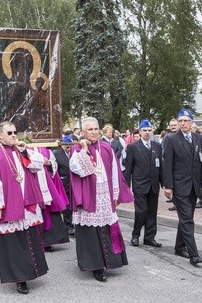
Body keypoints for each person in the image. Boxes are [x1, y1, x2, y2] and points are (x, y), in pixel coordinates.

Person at [0, 121, 49, 295]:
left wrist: (25, 150)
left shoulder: (22, 151)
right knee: (14, 243)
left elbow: (38, 165)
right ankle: (20, 279)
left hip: (28, 202)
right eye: (9, 133)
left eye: (14, 132)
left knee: (30, 238)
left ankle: (32, 272)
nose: (13, 136)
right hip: (9, 204)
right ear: (0, 136)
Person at [69, 117, 133, 281]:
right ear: (83, 132)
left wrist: (116, 193)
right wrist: (84, 149)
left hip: (105, 194)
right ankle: (96, 266)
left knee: (107, 228)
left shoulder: (106, 147)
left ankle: (112, 261)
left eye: (96, 129)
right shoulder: (76, 149)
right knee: (91, 232)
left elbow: (115, 171)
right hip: (89, 195)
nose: (94, 132)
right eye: (90, 129)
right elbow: (77, 169)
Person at [162, 109, 202, 265]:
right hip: (179, 185)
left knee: (186, 218)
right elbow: (167, 164)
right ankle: (194, 254)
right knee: (187, 219)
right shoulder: (171, 139)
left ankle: (179, 247)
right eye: (180, 121)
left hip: (194, 186)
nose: (182, 123)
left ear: (191, 122)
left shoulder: (198, 139)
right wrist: (168, 186)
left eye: (185, 120)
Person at [124, 119, 163, 247]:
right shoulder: (133, 147)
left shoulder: (157, 146)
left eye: (149, 130)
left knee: (152, 212)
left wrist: (166, 184)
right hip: (140, 185)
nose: (147, 133)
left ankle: (150, 237)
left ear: (152, 131)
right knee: (141, 212)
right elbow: (128, 168)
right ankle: (135, 235)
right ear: (139, 132)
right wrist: (126, 186)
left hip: (153, 185)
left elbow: (160, 166)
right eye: (144, 130)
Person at [34, 145, 70, 251]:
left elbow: (54, 165)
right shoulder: (23, 148)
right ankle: (35, 242)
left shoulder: (46, 150)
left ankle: (47, 241)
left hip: (46, 183)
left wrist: (48, 163)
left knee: (48, 212)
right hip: (32, 184)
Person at [53, 134, 74, 235]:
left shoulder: (74, 152)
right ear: (61, 145)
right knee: (67, 206)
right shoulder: (56, 154)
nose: (68, 146)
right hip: (64, 183)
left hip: (74, 182)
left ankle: (74, 224)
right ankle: (68, 225)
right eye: (65, 144)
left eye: (69, 144)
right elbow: (54, 169)